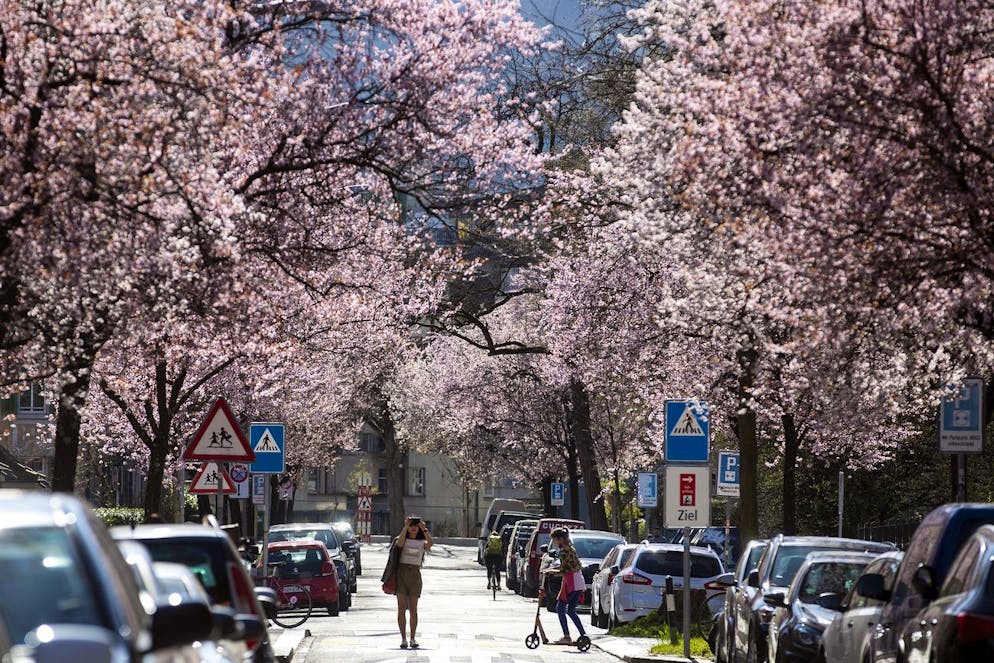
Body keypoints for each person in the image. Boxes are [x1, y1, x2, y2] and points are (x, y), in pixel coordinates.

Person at [395, 515, 432, 650]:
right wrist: (405, 527)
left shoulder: (422, 541)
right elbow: (399, 544)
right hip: (402, 573)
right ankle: (403, 638)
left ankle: (412, 637)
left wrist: (424, 529)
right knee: (401, 608)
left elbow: (430, 544)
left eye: (416, 525)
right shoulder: (402, 538)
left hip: (415, 575)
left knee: (413, 609)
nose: (413, 528)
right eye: (411, 525)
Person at [550, 527, 587, 645]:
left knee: (560, 608)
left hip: (572, 583)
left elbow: (564, 570)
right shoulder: (570, 548)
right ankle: (583, 635)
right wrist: (552, 569)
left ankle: (567, 636)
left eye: (555, 540)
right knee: (570, 610)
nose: (554, 543)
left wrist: (552, 572)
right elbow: (566, 566)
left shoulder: (564, 552)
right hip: (577, 582)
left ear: (560, 539)